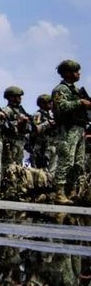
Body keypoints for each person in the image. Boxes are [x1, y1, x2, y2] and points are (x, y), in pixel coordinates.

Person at [51, 60, 89, 200]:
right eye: (76, 71)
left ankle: (71, 190)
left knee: (78, 163)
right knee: (66, 161)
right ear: (67, 73)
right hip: (67, 129)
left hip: (79, 128)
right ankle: (59, 192)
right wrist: (79, 103)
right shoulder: (60, 89)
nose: (79, 74)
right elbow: (61, 106)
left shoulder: (76, 90)